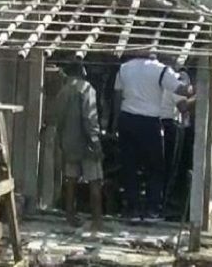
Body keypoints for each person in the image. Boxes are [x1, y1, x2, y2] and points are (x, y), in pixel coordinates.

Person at [114, 53, 192, 219]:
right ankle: (152, 209)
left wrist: (115, 123)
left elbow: (117, 96)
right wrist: (201, 86)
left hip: (127, 118)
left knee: (129, 166)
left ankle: (133, 208)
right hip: (149, 122)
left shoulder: (124, 68)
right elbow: (182, 90)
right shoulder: (161, 70)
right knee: (155, 167)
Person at [47, 63, 103, 230]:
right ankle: (97, 221)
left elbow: (57, 118)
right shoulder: (87, 88)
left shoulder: (63, 91)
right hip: (87, 143)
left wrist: (62, 140)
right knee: (94, 180)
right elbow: (89, 116)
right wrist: (95, 141)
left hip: (69, 142)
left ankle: (70, 216)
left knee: (70, 180)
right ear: (82, 72)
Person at [160, 67, 194, 215]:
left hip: (160, 122)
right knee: (171, 166)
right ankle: (166, 203)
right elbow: (183, 107)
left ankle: (162, 201)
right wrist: (202, 95)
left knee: (164, 166)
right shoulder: (177, 83)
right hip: (170, 125)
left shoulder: (165, 80)